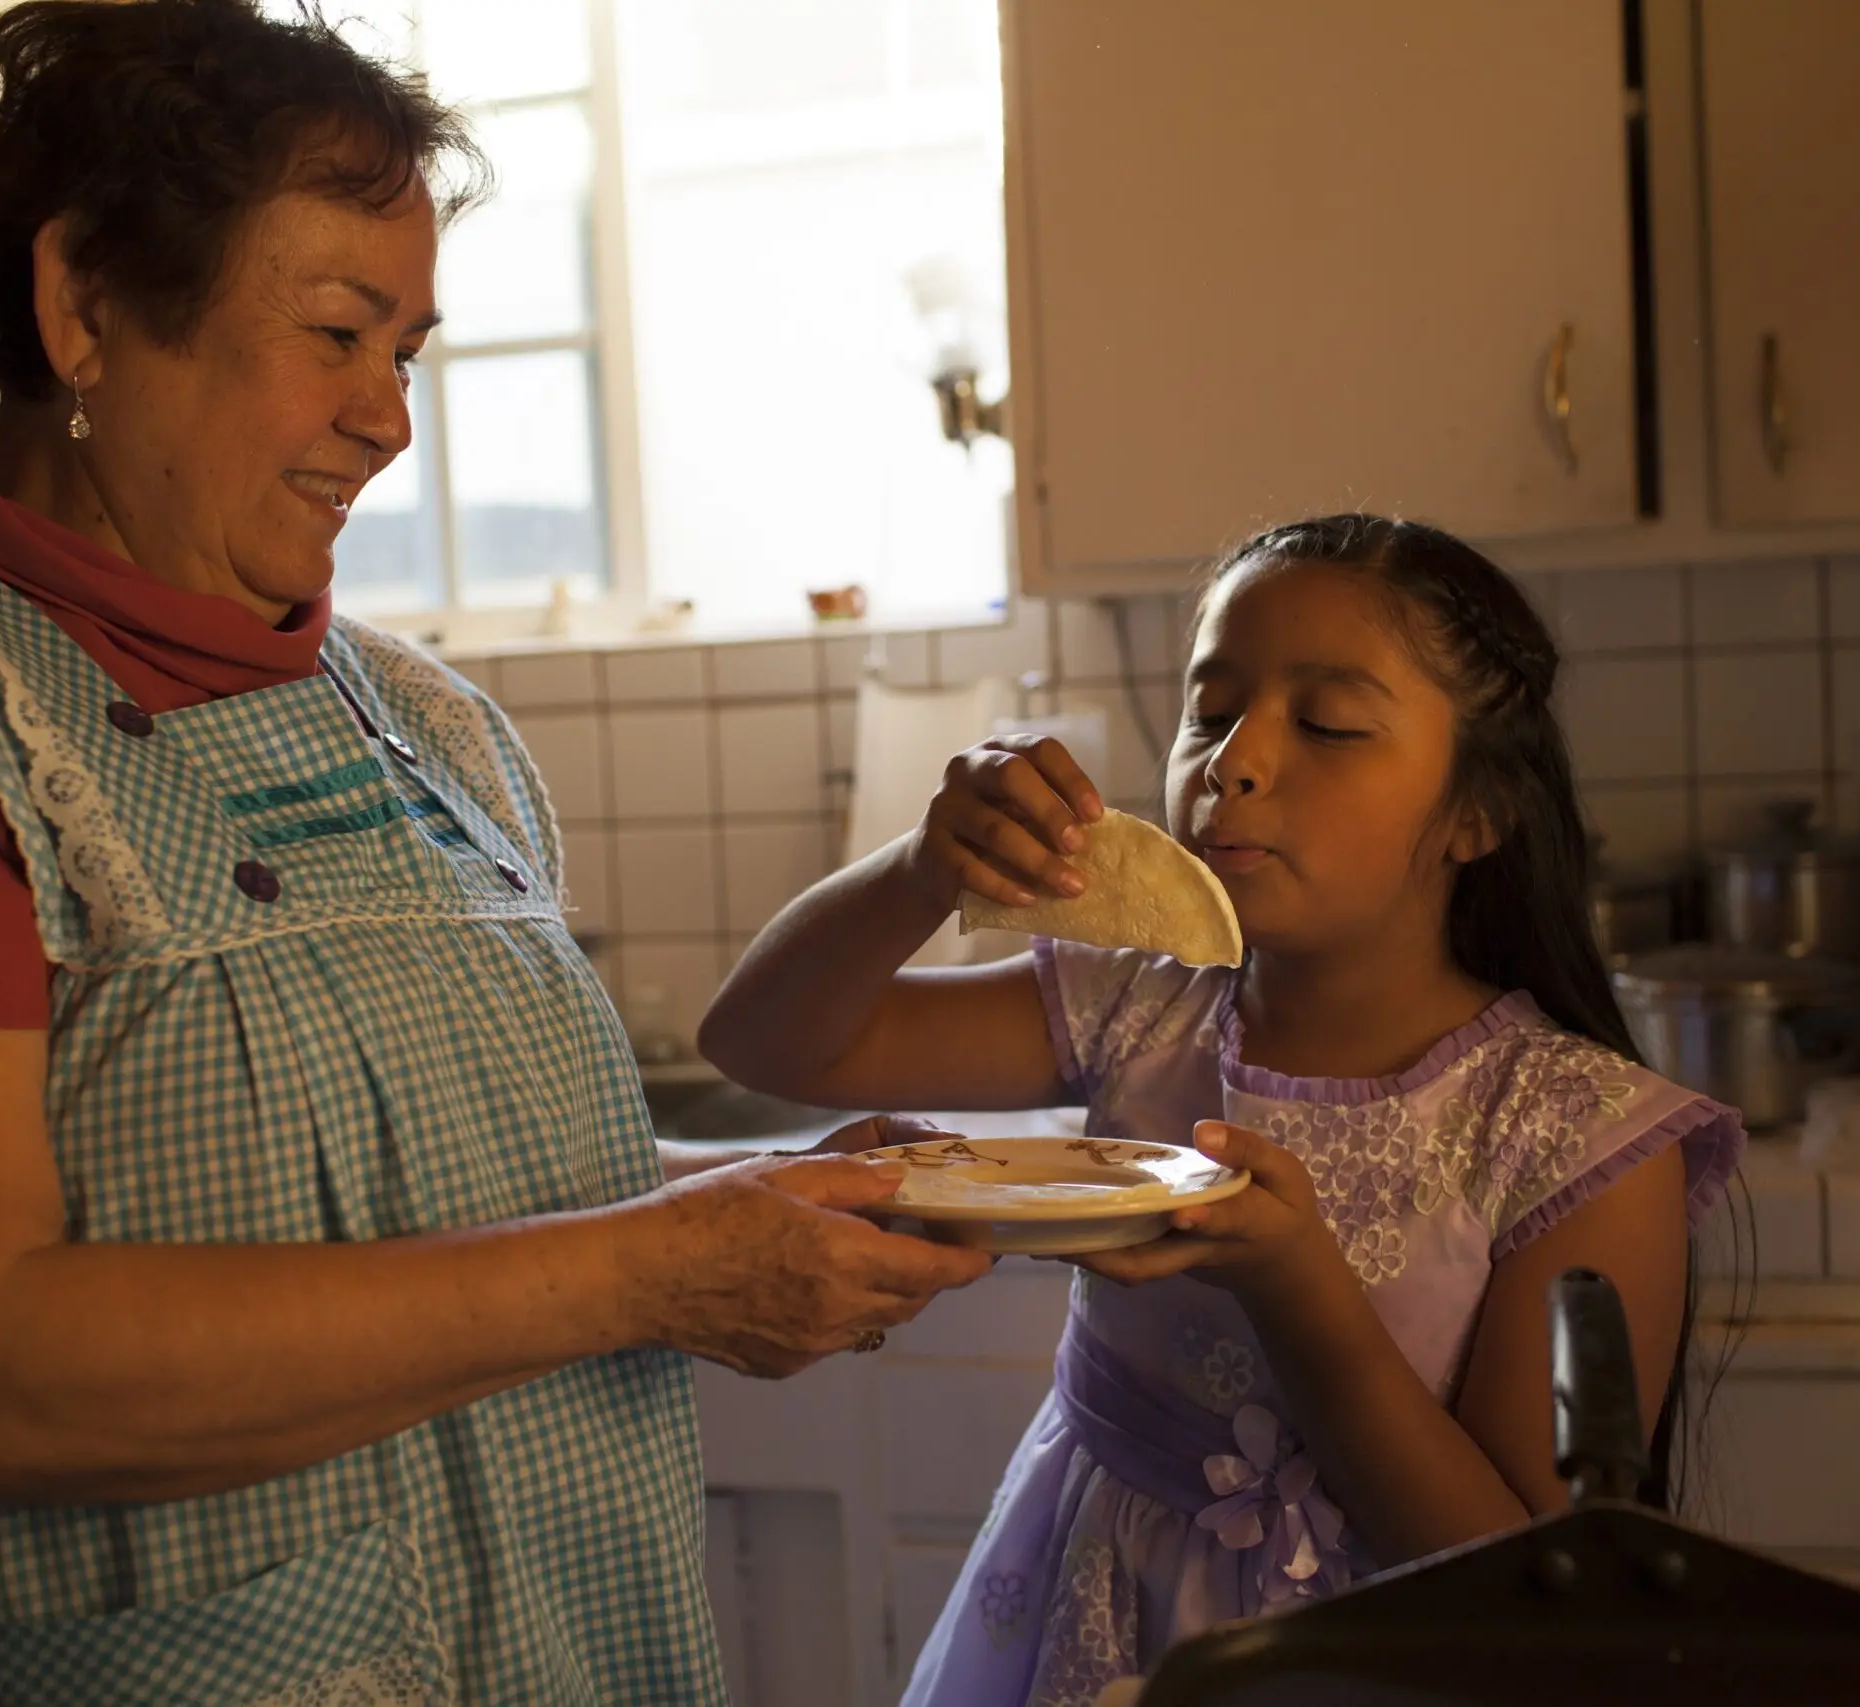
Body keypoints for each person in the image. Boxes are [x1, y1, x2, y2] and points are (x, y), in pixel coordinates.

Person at [0, 4, 989, 1702]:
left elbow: (455, 1232)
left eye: (407, 351)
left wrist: (760, 1213)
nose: (390, 421)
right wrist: (660, 1265)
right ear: (84, 307)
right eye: (337, 332)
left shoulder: (427, 728)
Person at [701, 514, 1749, 1703]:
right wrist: (923, 870)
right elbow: (762, 1040)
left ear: (1478, 813)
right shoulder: (1140, 1004)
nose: (1234, 759)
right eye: (1211, 712)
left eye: (1328, 723)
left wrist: (1294, 1283)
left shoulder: (1573, 1134)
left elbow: (1524, 1585)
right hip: (1089, 1627)